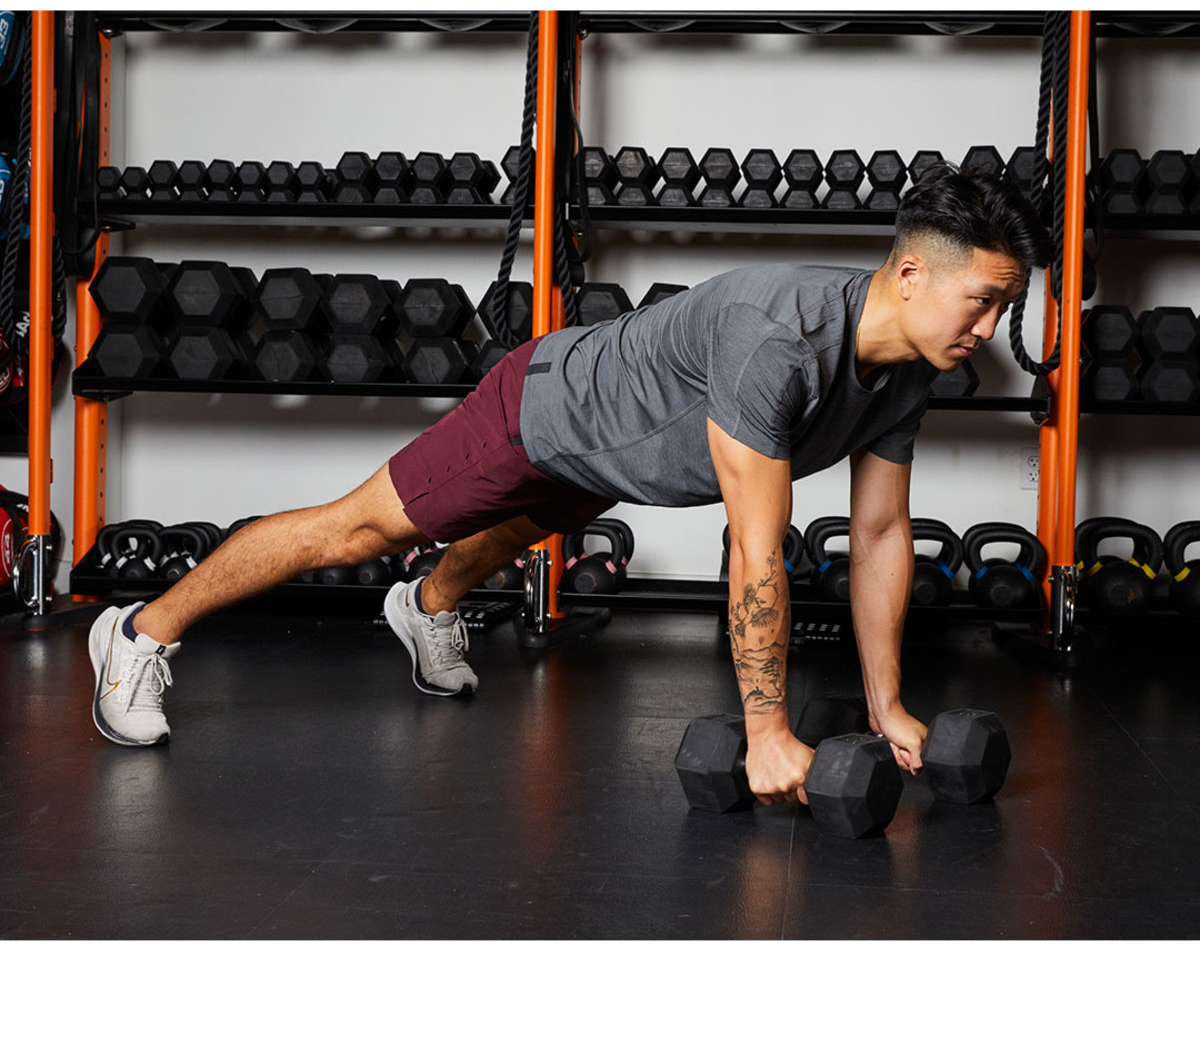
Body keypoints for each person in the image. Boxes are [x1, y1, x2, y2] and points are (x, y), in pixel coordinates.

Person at [89, 163, 1051, 808]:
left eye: (1006, 305)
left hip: (620, 460)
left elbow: (881, 533)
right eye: (985, 300)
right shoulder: (781, 339)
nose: (991, 326)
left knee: (507, 539)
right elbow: (756, 549)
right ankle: (139, 633)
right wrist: (766, 730)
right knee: (353, 530)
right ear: (915, 273)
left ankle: (427, 605)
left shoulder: (916, 367)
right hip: (544, 413)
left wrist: (884, 705)